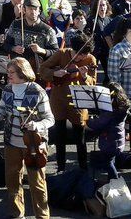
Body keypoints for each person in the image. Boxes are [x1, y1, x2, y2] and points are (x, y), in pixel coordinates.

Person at [0, 57, 53, 219]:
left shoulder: (37, 91)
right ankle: (17, 214)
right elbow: (0, 114)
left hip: (34, 145)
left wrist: (36, 126)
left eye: (11, 72)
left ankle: (42, 216)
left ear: (22, 72)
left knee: (37, 184)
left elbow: (50, 119)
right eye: (8, 72)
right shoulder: (7, 89)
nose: (8, 76)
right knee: (12, 181)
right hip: (11, 142)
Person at [38, 31, 96, 172]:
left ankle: (83, 168)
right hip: (59, 98)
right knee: (60, 136)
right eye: (79, 54)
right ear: (72, 49)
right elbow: (42, 68)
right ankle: (61, 168)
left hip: (79, 100)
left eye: (84, 55)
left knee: (80, 137)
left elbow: (93, 82)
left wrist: (84, 76)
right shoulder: (61, 54)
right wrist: (54, 73)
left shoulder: (90, 59)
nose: (81, 57)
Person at [85, 82, 130, 184]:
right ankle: (111, 181)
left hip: (110, 141)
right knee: (111, 160)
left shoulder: (110, 111)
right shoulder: (122, 106)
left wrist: (87, 121)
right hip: (117, 139)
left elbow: (99, 124)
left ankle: (115, 181)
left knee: (108, 163)